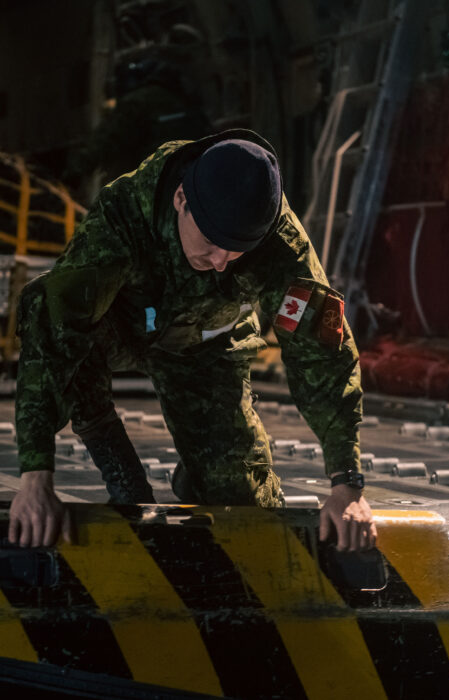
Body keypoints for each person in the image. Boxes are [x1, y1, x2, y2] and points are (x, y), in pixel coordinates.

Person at [8, 129, 377, 552]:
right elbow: (57, 333)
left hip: (205, 344)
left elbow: (322, 353)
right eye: (211, 243)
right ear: (181, 199)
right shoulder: (125, 213)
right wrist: (36, 477)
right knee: (47, 302)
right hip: (118, 331)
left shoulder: (280, 241)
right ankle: (121, 469)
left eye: (237, 251)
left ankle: (197, 473)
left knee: (242, 505)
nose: (221, 264)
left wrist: (347, 484)